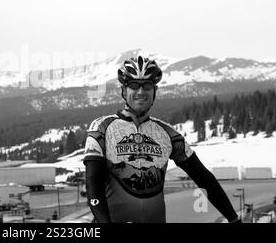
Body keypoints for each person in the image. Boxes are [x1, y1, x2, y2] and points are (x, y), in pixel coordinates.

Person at [83, 55, 241, 223]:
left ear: (155, 91)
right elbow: (94, 184)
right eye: (134, 85)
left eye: (148, 86)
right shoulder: (101, 128)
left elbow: (204, 179)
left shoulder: (168, 134)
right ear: (124, 91)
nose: (141, 92)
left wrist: (234, 219)